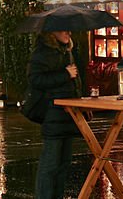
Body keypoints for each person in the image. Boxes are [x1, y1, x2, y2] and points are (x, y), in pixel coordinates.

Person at [28, 30, 85, 199]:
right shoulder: (42, 53)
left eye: (69, 29)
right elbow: (35, 79)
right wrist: (65, 74)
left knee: (64, 163)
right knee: (50, 163)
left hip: (68, 113)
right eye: (63, 29)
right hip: (53, 113)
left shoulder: (67, 51)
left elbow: (75, 81)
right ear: (52, 33)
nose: (68, 32)